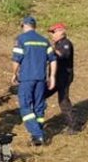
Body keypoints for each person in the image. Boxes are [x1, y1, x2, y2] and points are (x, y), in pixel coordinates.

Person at [12, 16, 56, 146]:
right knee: (39, 106)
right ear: (34, 26)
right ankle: (38, 134)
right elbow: (53, 59)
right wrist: (52, 76)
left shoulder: (21, 39)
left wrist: (14, 73)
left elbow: (16, 59)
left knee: (25, 106)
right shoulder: (44, 40)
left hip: (26, 78)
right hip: (41, 79)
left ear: (24, 25)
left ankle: (37, 134)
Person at [48, 22, 78, 132]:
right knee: (40, 94)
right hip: (55, 77)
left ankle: (73, 126)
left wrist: (50, 51)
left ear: (61, 32)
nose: (52, 35)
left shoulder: (66, 43)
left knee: (63, 101)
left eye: (53, 32)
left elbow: (63, 55)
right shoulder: (58, 44)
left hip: (64, 78)